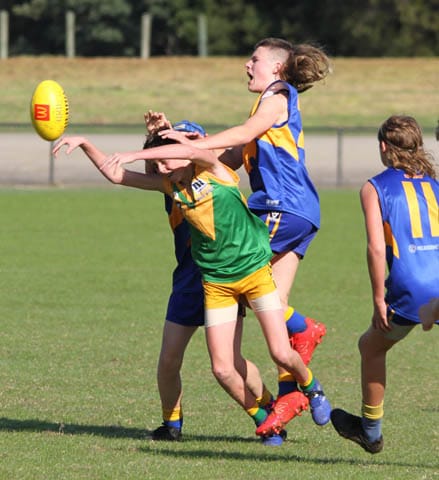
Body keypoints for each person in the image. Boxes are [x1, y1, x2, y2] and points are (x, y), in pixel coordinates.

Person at [52, 129, 331, 442]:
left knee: (281, 352)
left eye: (166, 160)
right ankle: (264, 420)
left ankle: (312, 388)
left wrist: (137, 154)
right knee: (222, 369)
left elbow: (191, 151)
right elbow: (116, 175)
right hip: (217, 283)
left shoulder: (213, 168)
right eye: (159, 165)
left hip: (254, 274)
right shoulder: (171, 186)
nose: (162, 168)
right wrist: (86, 143)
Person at [159, 37, 332, 433]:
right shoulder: (267, 103)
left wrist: (194, 145)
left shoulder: (277, 96)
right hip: (300, 212)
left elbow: (243, 133)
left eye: (254, 59)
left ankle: (303, 328)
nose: (247, 65)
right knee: (272, 300)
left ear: (277, 67)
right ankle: (290, 392)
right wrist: (186, 154)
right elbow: (232, 158)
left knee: (235, 262)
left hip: (280, 207)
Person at [143, 113, 280, 446]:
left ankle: (270, 410)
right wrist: (156, 139)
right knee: (169, 359)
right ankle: (171, 423)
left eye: (189, 142)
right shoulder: (173, 181)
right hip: (189, 280)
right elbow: (154, 170)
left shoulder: (215, 174)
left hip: (226, 275)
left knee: (232, 362)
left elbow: (227, 152)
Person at [330, 115, 439, 454]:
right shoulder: (435, 184)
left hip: (411, 286)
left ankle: (371, 431)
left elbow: (377, 248)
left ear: (382, 146)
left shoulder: (374, 187)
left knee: (372, 347)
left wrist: (379, 298)